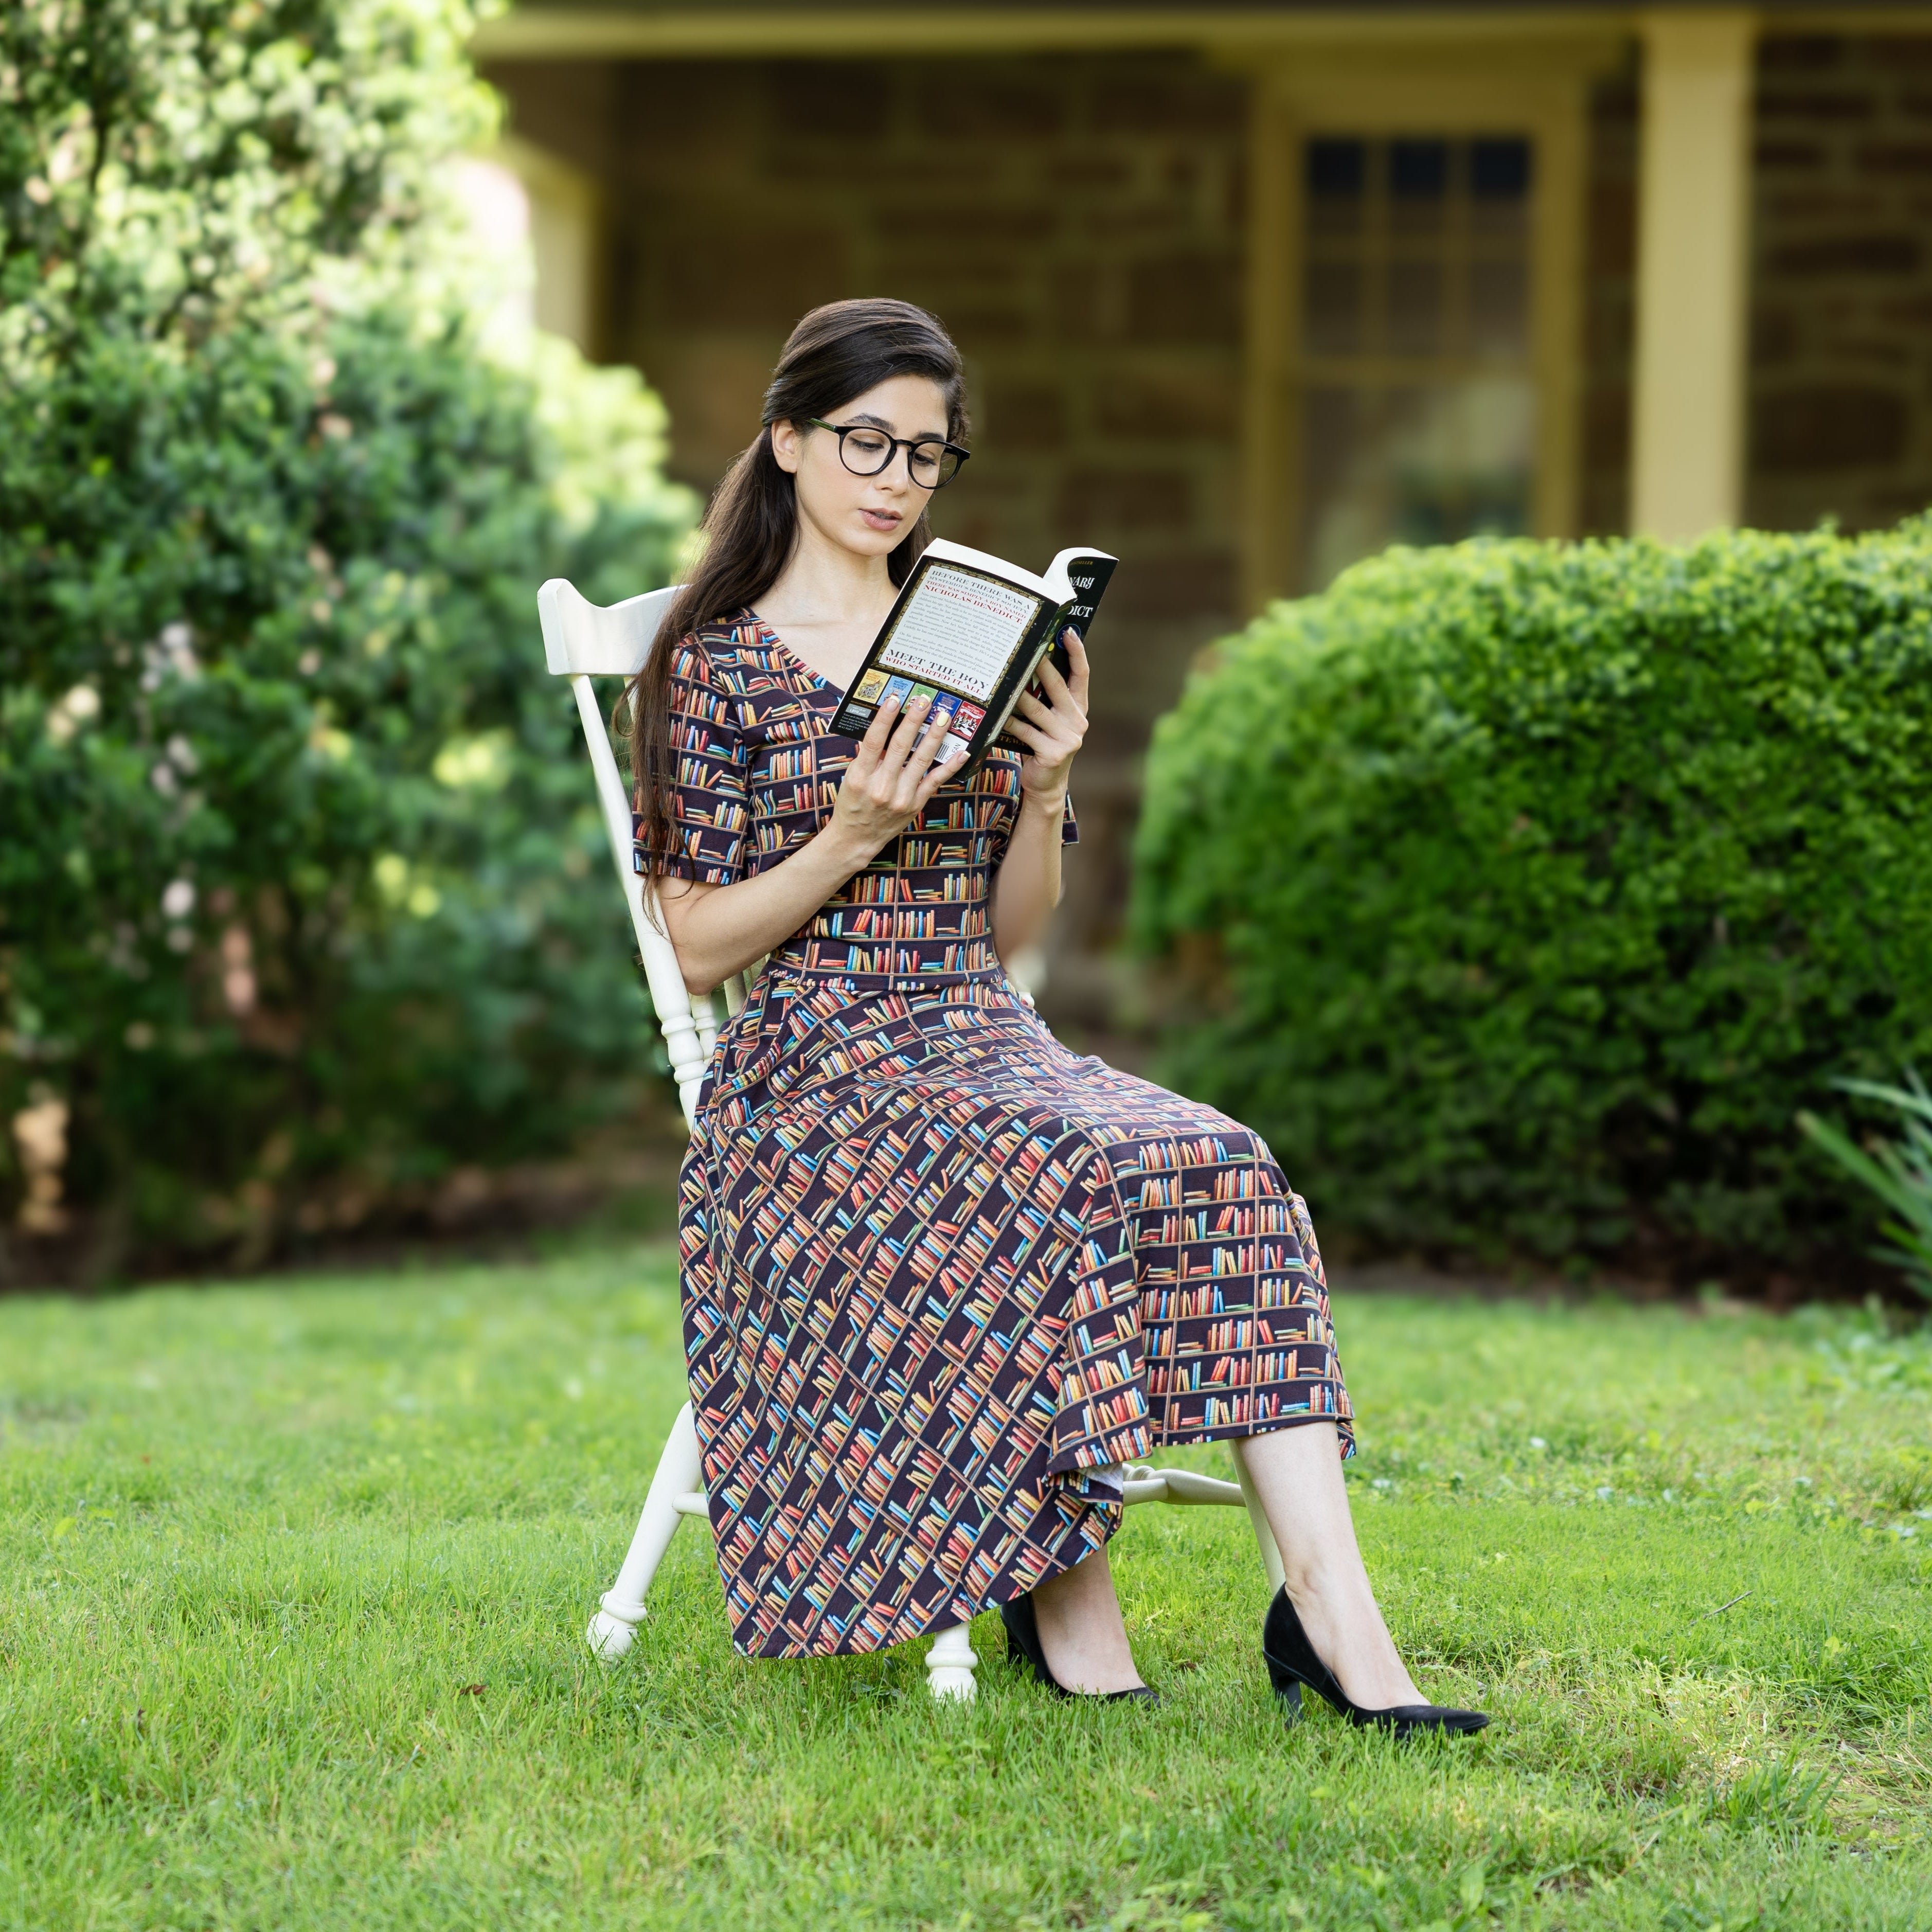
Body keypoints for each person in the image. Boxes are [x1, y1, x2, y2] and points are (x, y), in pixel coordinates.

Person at [628, 297, 1485, 1732]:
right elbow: (701, 944)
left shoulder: (959, 638)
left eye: (926, 454)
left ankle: (1337, 1625)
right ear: (785, 442)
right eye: (864, 443)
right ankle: (1069, 1603)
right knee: (1056, 1163)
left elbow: (1011, 930)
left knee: (1223, 1157)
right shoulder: (713, 661)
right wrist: (846, 833)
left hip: (973, 1027)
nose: (894, 479)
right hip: (811, 1071)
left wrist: (1043, 783)